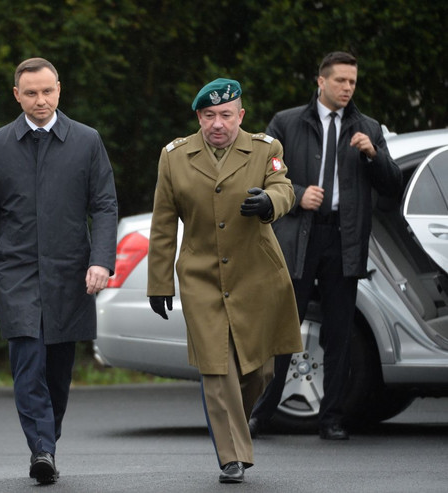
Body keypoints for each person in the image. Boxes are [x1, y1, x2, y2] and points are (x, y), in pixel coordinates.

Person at [147, 78, 302, 484]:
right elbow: (163, 225)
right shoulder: (175, 157)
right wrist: (159, 282)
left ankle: (234, 426)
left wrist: (270, 202)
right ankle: (233, 455)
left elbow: (283, 186)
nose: (218, 124)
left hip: (257, 274)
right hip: (201, 276)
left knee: (261, 370)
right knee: (217, 368)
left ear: (241, 116)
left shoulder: (266, 148)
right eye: (209, 115)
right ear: (199, 116)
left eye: (226, 115)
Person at [0, 57, 118, 485]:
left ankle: (46, 443)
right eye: (31, 93)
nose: (40, 100)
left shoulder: (87, 140)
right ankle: (42, 449)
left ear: (60, 89)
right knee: (27, 359)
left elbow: (105, 204)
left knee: (57, 368)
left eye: (47, 91)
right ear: (17, 95)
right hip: (15, 270)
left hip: (69, 271)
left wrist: (101, 260)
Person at [249, 52, 402, 441]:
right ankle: (261, 413)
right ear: (321, 82)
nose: (348, 88)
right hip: (299, 235)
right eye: (340, 81)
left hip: (344, 238)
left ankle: (331, 417)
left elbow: (392, 186)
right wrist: (298, 194)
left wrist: (373, 154)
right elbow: (260, 172)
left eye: (352, 82)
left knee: (338, 331)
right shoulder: (287, 122)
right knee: (284, 328)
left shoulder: (367, 128)